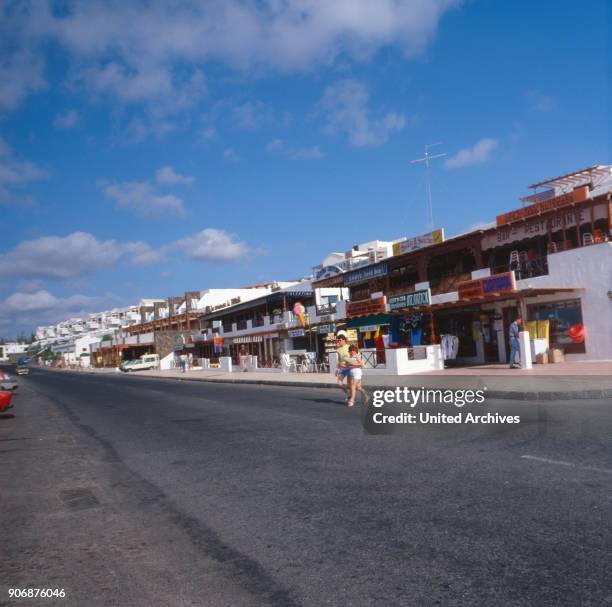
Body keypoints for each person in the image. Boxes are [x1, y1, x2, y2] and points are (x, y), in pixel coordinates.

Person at [335, 331, 352, 402]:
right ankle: (348, 395)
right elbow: (339, 360)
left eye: (340, 340)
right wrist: (337, 368)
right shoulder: (338, 349)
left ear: (344, 340)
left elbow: (352, 357)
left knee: (349, 384)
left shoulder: (349, 347)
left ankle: (351, 398)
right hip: (342, 369)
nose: (339, 341)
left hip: (349, 368)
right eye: (338, 340)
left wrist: (347, 363)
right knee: (339, 383)